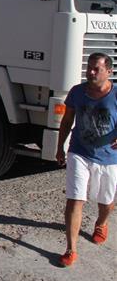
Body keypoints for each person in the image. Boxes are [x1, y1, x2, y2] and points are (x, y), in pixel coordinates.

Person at [55, 52, 117, 267]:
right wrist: (60, 147)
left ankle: (101, 222)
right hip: (79, 152)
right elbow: (67, 120)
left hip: (109, 157)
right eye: (89, 68)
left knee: (106, 202)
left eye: (96, 69)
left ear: (108, 71)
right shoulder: (77, 92)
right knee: (75, 199)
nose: (90, 72)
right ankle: (71, 249)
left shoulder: (116, 94)